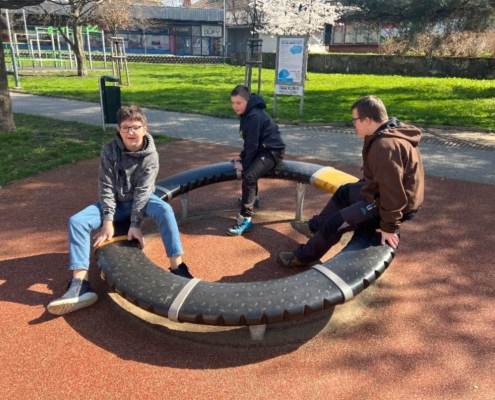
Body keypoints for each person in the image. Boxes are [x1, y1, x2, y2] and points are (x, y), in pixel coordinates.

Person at [47, 105, 193, 316]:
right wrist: (108, 221)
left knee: (165, 211)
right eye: (126, 128)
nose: (131, 132)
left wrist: (135, 225)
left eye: (135, 127)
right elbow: (105, 187)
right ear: (119, 129)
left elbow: (143, 192)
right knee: (76, 221)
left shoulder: (150, 155)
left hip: (142, 200)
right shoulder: (109, 151)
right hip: (114, 203)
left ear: (144, 128)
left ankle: (177, 267)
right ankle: (80, 284)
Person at [276, 95, 424, 267]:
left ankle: (303, 257)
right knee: (345, 191)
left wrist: (389, 226)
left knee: (335, 223)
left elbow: (393, 192)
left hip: (393, 205)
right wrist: (360, 188)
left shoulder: (385, 146)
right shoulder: (387, 133)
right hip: (381, 194)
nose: (354, 125)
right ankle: (314, 227)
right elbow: (380, 178)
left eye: (355, 120)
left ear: (367, 120)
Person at [227, 85, 286, 236]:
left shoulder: (253, 116)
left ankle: (246, 219)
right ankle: (254, 199)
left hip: (273, 152)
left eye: (238, 103)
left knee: (249, 176)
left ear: (247, 100)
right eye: (233, 103)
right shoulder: (248, 112)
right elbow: (250, 141)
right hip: (263, 149)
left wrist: (244, 164)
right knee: (251, 169)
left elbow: (253, 144)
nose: (235, 106)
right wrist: (242, 155)